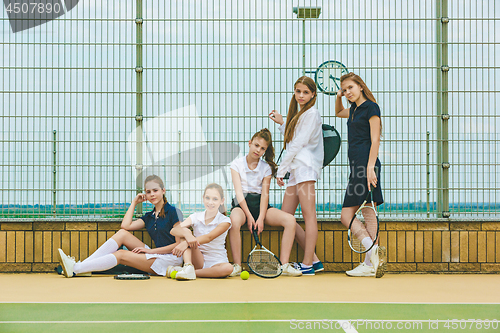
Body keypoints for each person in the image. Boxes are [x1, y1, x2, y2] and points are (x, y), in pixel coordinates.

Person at [57, 175, 183, 277]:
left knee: (121, 254)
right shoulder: (149, 216)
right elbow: (125, 226)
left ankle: (75, 268)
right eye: (148, 192)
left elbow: (178, 245)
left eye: (155, 190)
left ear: (163, 190)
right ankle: (80, 267)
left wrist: (151, 251)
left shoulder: (173, 212)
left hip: (170, 260)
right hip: (156, 255)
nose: (152, 194)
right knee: (122, 234)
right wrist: (134, 202)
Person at [228, 128, 302, 277]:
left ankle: (284, 265)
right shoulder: (236, 165)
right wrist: (249, 216)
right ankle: (237, 265)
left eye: (262, 148)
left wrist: (261, 217)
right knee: (234, 221)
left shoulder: (266, 168)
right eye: (256, 145)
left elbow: (264, 196)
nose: (258, 150)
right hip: (242, 206)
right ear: (250, 143)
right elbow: (239, 194)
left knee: (290, 220)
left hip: (261, 207)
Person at [268, 76, 324, 275]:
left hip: (305, 169)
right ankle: (315, 260)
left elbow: (298, 144)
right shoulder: (302, 114)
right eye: (298, 91)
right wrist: (283, 123)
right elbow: (294, 140)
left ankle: (307, 264)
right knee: (287, 216)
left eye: (306, 92)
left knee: (309, 217)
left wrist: (281, 169)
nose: (301, 95)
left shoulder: (312, 113)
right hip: (296, 170)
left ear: (313, 95)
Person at [335, 72, 386, 278]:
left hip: (365, 167)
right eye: (345, 89)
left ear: (360, 86)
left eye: (350, 88)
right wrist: (338, 96)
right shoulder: (354, 110)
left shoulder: (371, 108)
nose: (348, 92)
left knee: (346, 216)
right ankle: (369, 264)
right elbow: (339, 113)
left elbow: (375, 140)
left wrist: (370, 168)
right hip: (358, 166)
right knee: (368, 212)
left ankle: (371, 250)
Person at [169, 183, 233, 280]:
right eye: (207, 198)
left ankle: (189, 272)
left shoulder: (225, 221)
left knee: (228, 268)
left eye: (215, 199)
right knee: (184, 231)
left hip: (217, 262)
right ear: (203, 198)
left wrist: (186, 243)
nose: (210, 202)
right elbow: (174, 230)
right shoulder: (195, 217)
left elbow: (208, 238)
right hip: (198, 260)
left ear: (222, 201)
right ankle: (188, 265)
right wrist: (187, 234)